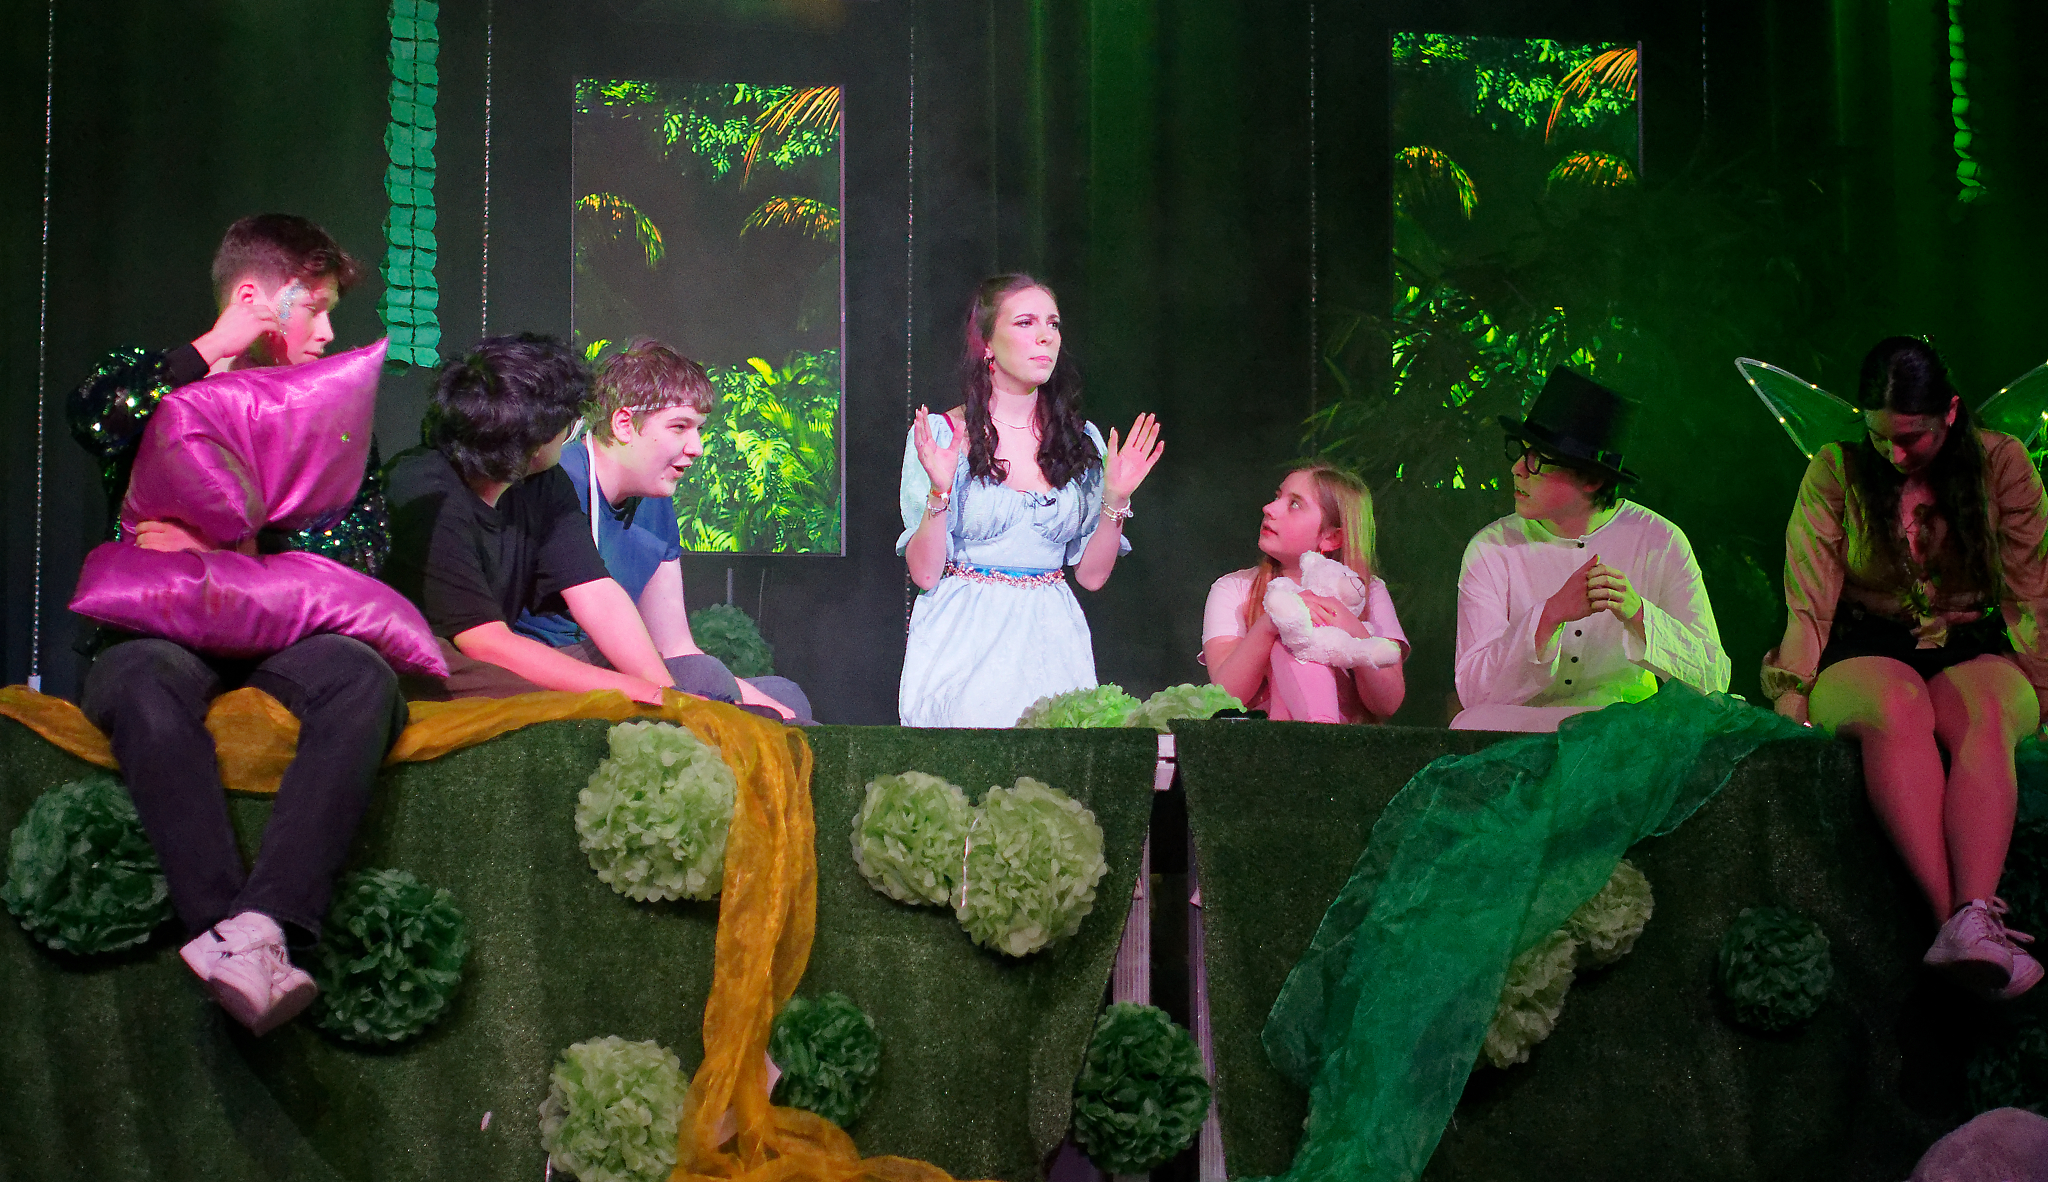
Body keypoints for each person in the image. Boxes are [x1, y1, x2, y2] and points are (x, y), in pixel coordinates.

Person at [69, 214, 407, 1035]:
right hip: (161, 636)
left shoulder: (331, 421)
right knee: (140, 686)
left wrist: (221, 548)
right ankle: (232, 938)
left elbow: (360, 553)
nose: (328, 334)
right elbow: (95, 415)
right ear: (256, 298)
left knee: (364, 681)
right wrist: (212, 347)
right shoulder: (156, 386)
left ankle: (264, 925)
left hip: (283, 642)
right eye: (314, 309)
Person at [1764, 337, 2047, 999]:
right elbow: (1809, 602)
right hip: (1863, 646)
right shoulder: (1836, 470)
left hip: (1970, 645)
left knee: (1986, 708)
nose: (1893, 454)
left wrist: (2043, 687)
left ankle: (1970, 917)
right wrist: (1791, 695)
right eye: (1878, 436)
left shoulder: (2001, 462)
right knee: (1898, 705)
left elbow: (2034, 594)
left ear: (1949, 413)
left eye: (1910, 437)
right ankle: (1964, 924)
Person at [897, 274, 1164, 727]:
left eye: (1053, 324)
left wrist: (1116, 499)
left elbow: (1092, 576)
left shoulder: (1081, 442)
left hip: (1052, 638)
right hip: (965, 640)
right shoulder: (944, 435)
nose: (1045, 336)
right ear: (986, 343)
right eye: (1025, 322)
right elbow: (924, 573)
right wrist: (940, 491)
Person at [511, 340, 810, 722]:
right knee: (704, 676)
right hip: (548, 675)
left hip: (630, 672)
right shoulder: (558, 481)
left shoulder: (655, 503)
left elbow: (675, 645)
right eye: (679, 427)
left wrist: (781, 714)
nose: (697, 447)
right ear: (623, 424)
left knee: (785, 695)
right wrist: (679, 698)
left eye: (699, 429)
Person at [382, 334, 677, 706]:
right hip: (419, 663)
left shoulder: (543, 481)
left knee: (643, 667)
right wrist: (644, 695)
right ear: (535, 436)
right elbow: (485, 643)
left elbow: (596, 592)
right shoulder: (424, 492)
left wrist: (668, 694)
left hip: (489, 652)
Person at [1453, 367, 1729, 732]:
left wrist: (1638, 614)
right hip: (1527, 728)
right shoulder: (1490, 548)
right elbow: (1474, 691)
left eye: (1538, 460)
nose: (1518, 469)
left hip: (1625, 729)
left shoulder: (1659, 541)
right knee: (1471, 722)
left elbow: (1714, 681)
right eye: (1521, 453)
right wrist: (1549, 616)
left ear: (1592, 479)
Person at [1201, 462, 1407, 722]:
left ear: (1331, 537)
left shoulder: (1368, 591)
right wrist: (1271, 624)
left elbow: (1387, 703)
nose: (1269, 508)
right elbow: (1226, 695)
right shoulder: (1234, 589)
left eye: (1295, 504)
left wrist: (1352, 628)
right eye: (1277, 497)